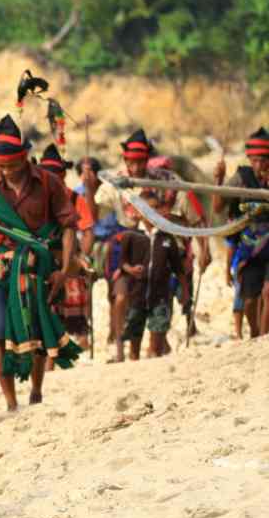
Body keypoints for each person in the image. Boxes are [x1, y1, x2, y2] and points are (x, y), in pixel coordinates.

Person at [0, 116, 80, 411]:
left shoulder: (48, 183)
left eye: (13, 166)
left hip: (35, 265)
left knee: (37, 330)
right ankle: (11, 402)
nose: (7, 172)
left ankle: (37, 390)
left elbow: (69, 225)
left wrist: (65, 270)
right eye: (1, 166)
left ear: (25, 159)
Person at [83, 129, 210, 351]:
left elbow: (196, 218)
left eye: (141, 161)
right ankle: (122, 346)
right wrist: (88, 187)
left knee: (160, 300)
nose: (136, 167)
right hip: (130, 247)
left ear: (147, 159)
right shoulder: (115, 183)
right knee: (122, 296)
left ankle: (158, 343)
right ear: (125, 160)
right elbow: (94, 214)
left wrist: (203, 250)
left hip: (163, 245)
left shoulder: (167, 181)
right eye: (131, 162)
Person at [116, 192, 189, 361]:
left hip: (160, 297)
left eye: (156, 208)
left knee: (156, 343)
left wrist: (184, 292)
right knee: (134, 346)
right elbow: (122, 263)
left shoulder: (167, 237)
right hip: (137, 296)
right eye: (148, 208)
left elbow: (178, 269)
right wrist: (131, 269)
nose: (153, 212)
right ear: (139, 211)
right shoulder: (131, 236)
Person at [212, 127, 269, 336]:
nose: (259, 165)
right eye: (254, 160)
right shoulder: (242, 177)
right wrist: (218, 180)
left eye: (263, 160)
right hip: (250, 247)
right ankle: (255, 333)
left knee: (268, 293)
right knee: (250, 301)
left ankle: (264, 340)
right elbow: (218, 206)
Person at [38, 144, 91, 353]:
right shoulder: (34, 197)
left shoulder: (75, 198)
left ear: (62, 175)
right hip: (42, 253)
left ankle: (79, 338)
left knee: (75, 284)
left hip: (69, 254)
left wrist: (81, 256)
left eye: (55, 174)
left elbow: (87, 230)